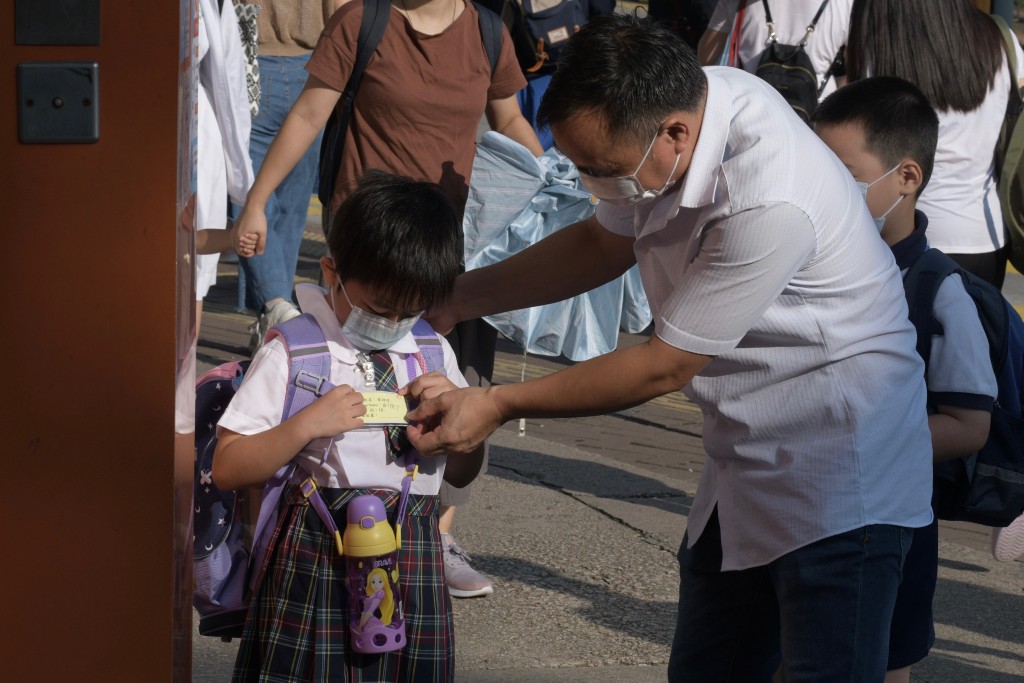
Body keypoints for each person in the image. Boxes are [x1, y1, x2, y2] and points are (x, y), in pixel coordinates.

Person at [401, 15, 935, 681]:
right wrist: (459, 296)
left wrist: (498, 402)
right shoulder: (683, 111)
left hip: (839, 466)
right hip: (744, 455)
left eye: (600, 170)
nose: (593, 184)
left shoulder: (768, 194)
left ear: (674, 133)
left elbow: (665, 363)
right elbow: (602, 242)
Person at [233, 0, 543, 599]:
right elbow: (308, 114)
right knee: (345, 388)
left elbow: (512, 125)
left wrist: (559, 187)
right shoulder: (363, 20)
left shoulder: (486, 32)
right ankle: (319, 518)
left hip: (451, 251)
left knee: (452, 388)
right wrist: (258, 199)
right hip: (370, 247)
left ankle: (433, 535)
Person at [214, 171, 486, 682]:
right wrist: (304, 427)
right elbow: (228, 466)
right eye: (379, 309)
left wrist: (460, 424)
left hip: (413, 552)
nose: (391, 324)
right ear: (331, 271)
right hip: (316, 555)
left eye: (410, 312)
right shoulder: (296, 352)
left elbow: (462, 473)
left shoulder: (430, 351)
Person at [814, 76, 997, 683]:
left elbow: (970, 424)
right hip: (804, 509)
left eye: (844, 172)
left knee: (885, 659)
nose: (826, 189)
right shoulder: (813, 263)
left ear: (906, 178)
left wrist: (859, 439)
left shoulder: (939, 291)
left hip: (895, 526)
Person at [845, 0, 1024, 289]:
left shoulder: (879, 49)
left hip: (902, 235)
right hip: (982, 236)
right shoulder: (1001, 41)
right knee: (977, 332)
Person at [235, 0, 342, 351]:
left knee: (250, 196)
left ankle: (276, 305)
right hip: (315, 71)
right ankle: (277, 309)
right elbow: (345, 11)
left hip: (249, 62)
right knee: (292, 209)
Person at [196, 0, 255, 331]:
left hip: (193, 134)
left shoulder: (216, 5)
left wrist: (236, 233)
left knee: (193, 276)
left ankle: (180, 377)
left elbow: (229, 79)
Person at [697, 0, 852, 99]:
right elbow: (856, 73)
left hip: (755, 112)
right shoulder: (847, 4)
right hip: (818, 118)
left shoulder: (738, 3)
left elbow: (705, 57)